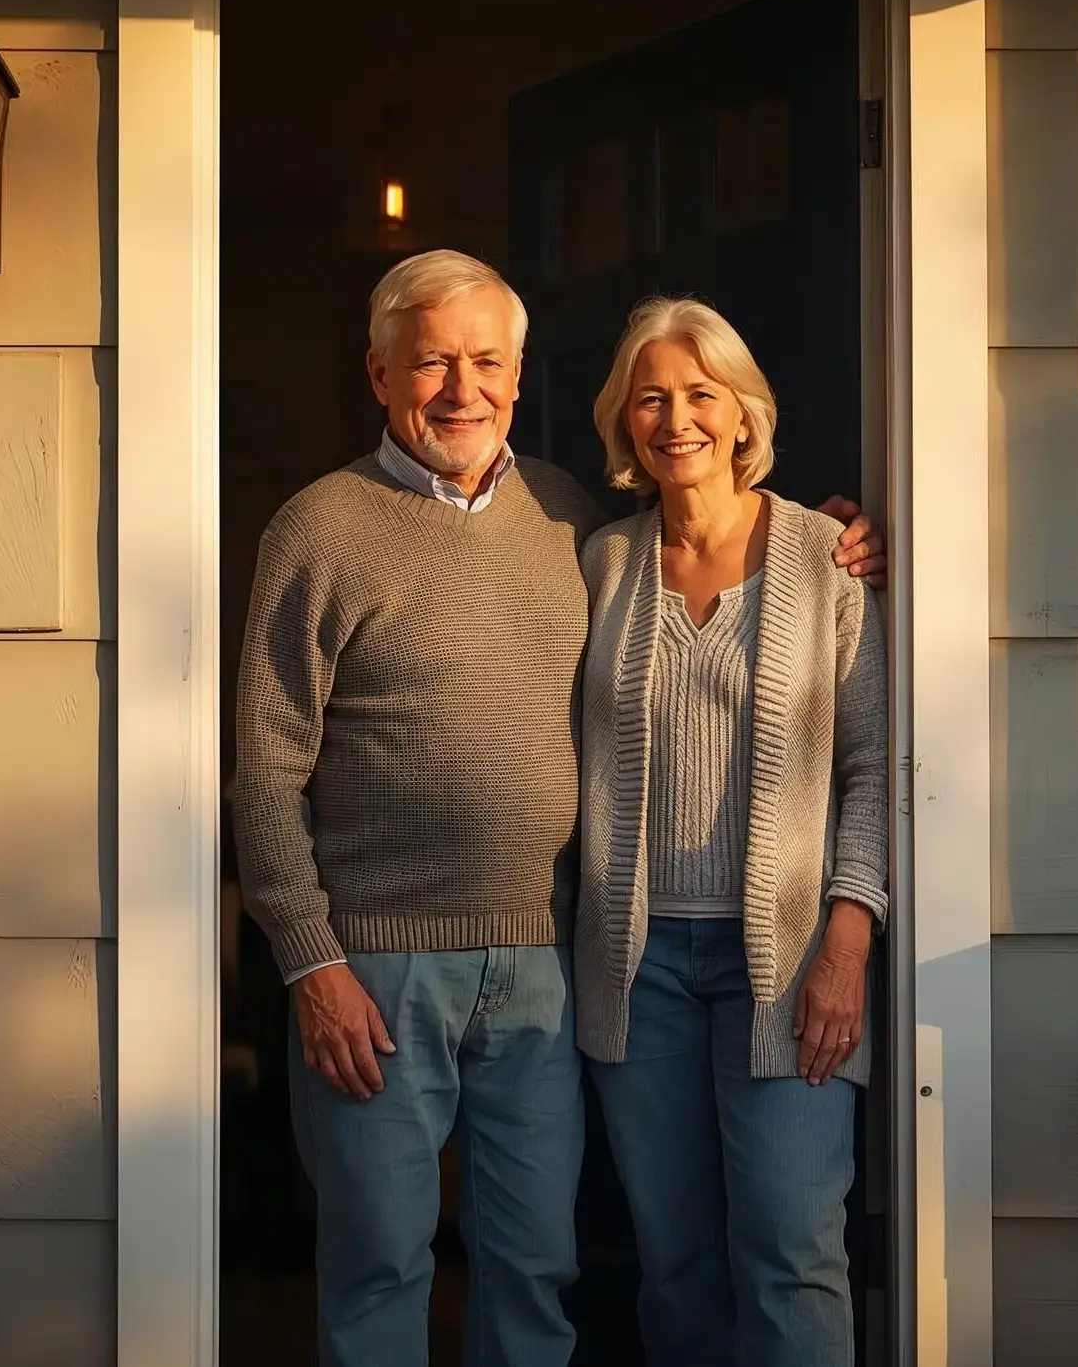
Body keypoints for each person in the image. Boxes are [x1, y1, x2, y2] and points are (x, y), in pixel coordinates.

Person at [234, 250, 884, 1367]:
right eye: (430, 361)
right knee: (387, 1263)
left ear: (521, 376)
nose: (460, 387)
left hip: (558, 961)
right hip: (407, 967)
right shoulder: (339, 529)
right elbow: (263, 764)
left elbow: (843, 730)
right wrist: (309, 962)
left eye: (486, 360)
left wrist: (837, 538)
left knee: (552, 1272)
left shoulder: (571, 518)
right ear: (378, 373)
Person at [575, 297, 890, 1367]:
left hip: (791, 963)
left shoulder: (826, 557)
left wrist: (847, 944)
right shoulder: (601, 566)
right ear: (626, 421)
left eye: (700, 393)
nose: (676, 418)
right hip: (638, 963)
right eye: (650, 397)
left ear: (743, 413)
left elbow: (869, 768)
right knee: (673, 1261)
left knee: (793, 1252)